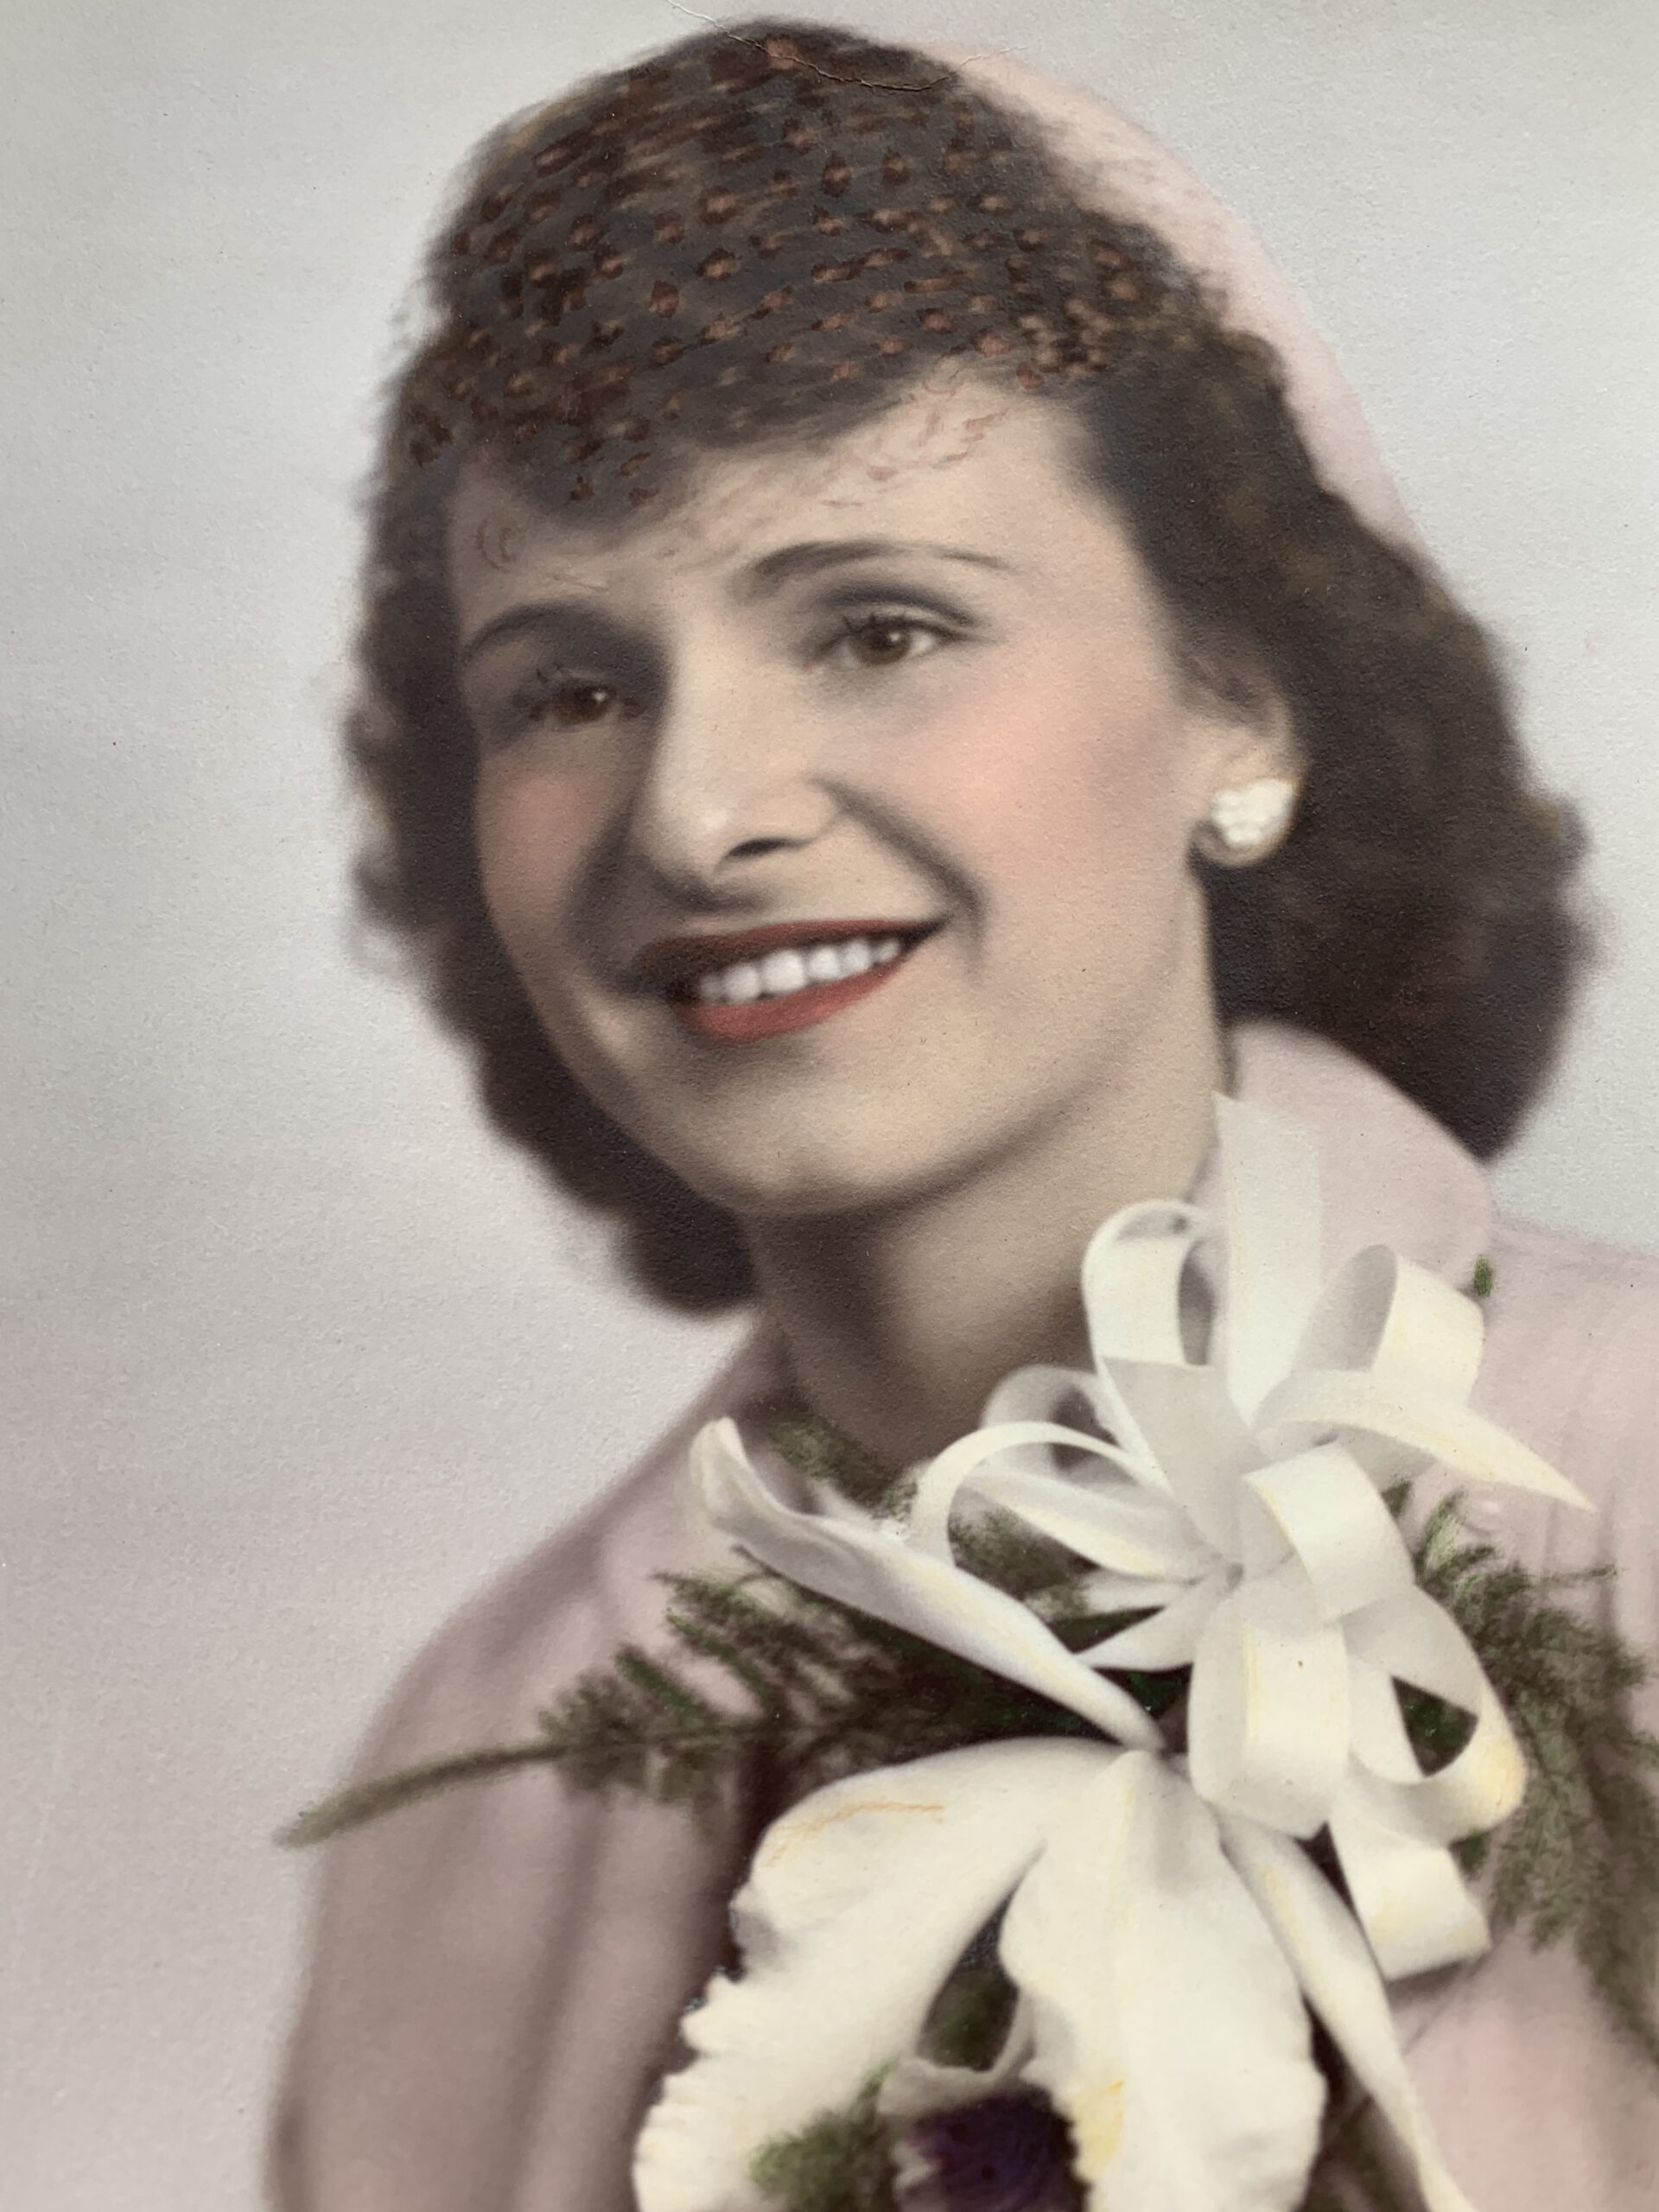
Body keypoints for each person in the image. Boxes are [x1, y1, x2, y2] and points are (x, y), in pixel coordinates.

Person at [270, 21, 1659, 2210]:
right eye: (572, 686)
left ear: (1243, 696)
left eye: (880, 627)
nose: (698, 812)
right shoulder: (488, 1775)